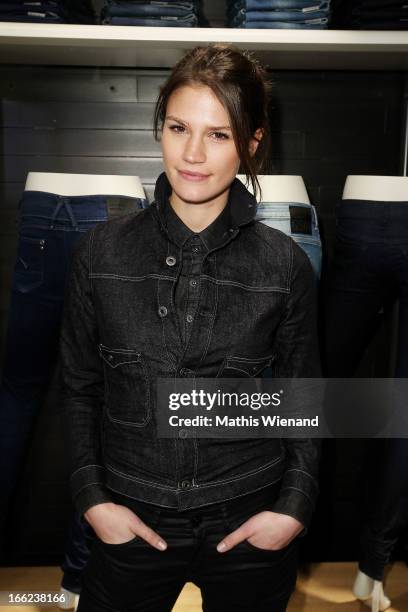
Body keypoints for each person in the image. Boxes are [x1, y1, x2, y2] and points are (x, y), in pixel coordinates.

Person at [58, 42, 321, 612]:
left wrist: (292, 509)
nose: (193, 153)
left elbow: (307, 396)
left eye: (220, 134)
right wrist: (93, 500)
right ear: (160, 128)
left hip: (251, 520)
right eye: (179, 127)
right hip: (130, 522)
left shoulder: (284, 264)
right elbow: (78, 387)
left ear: (252, 142)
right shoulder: (99, 253)